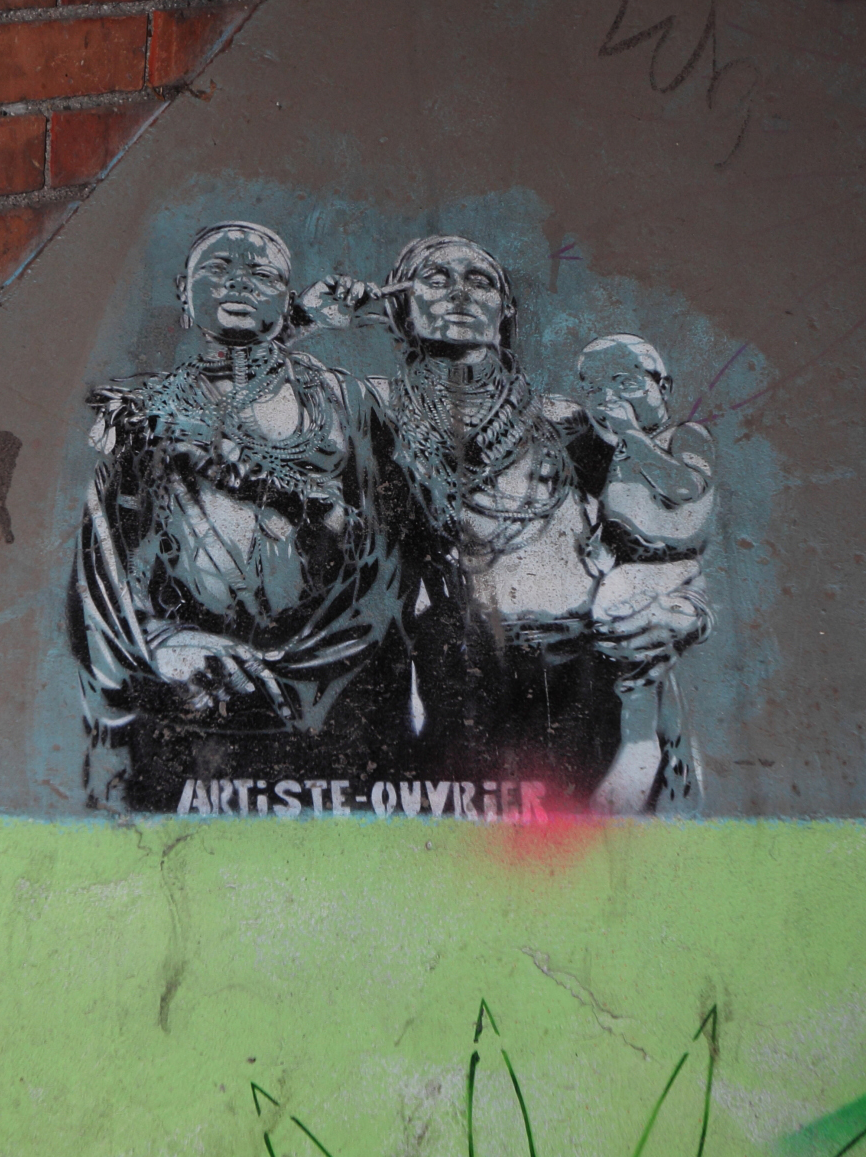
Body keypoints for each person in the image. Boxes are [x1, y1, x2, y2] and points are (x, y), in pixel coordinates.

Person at [300, 237, 712, 810]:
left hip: (582, 674)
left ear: (505, 313)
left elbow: (662, 525)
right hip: (455, 679)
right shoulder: (366, 409)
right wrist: (302, 318)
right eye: (435, 279)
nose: (460, 293)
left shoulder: (565, 422)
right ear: (401, 307)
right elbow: (264, 405)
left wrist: (685, 609)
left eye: (481, 281)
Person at [70, 222, 404, 812]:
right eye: (218, 270)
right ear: (184, 291)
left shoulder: (346, 401)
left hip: (337, 688)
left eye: (261, 274)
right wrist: (163, 643)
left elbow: (391, 540)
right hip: (194, 696)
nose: (238, 284)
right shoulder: (144, 413)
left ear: (288, 296)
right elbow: (105, 563)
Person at [576, 334, 715, 814]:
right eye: (594, 390)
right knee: (646, 693)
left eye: (625, 382)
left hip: (669, 577)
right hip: (626, 580)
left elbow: (686, 488)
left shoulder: (684, 436)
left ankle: (639, 764)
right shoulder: (618, 456)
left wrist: (632, 436)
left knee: (641, 684)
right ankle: (664, 761)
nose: (608, 399)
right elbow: (621, 517)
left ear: (663, 387)